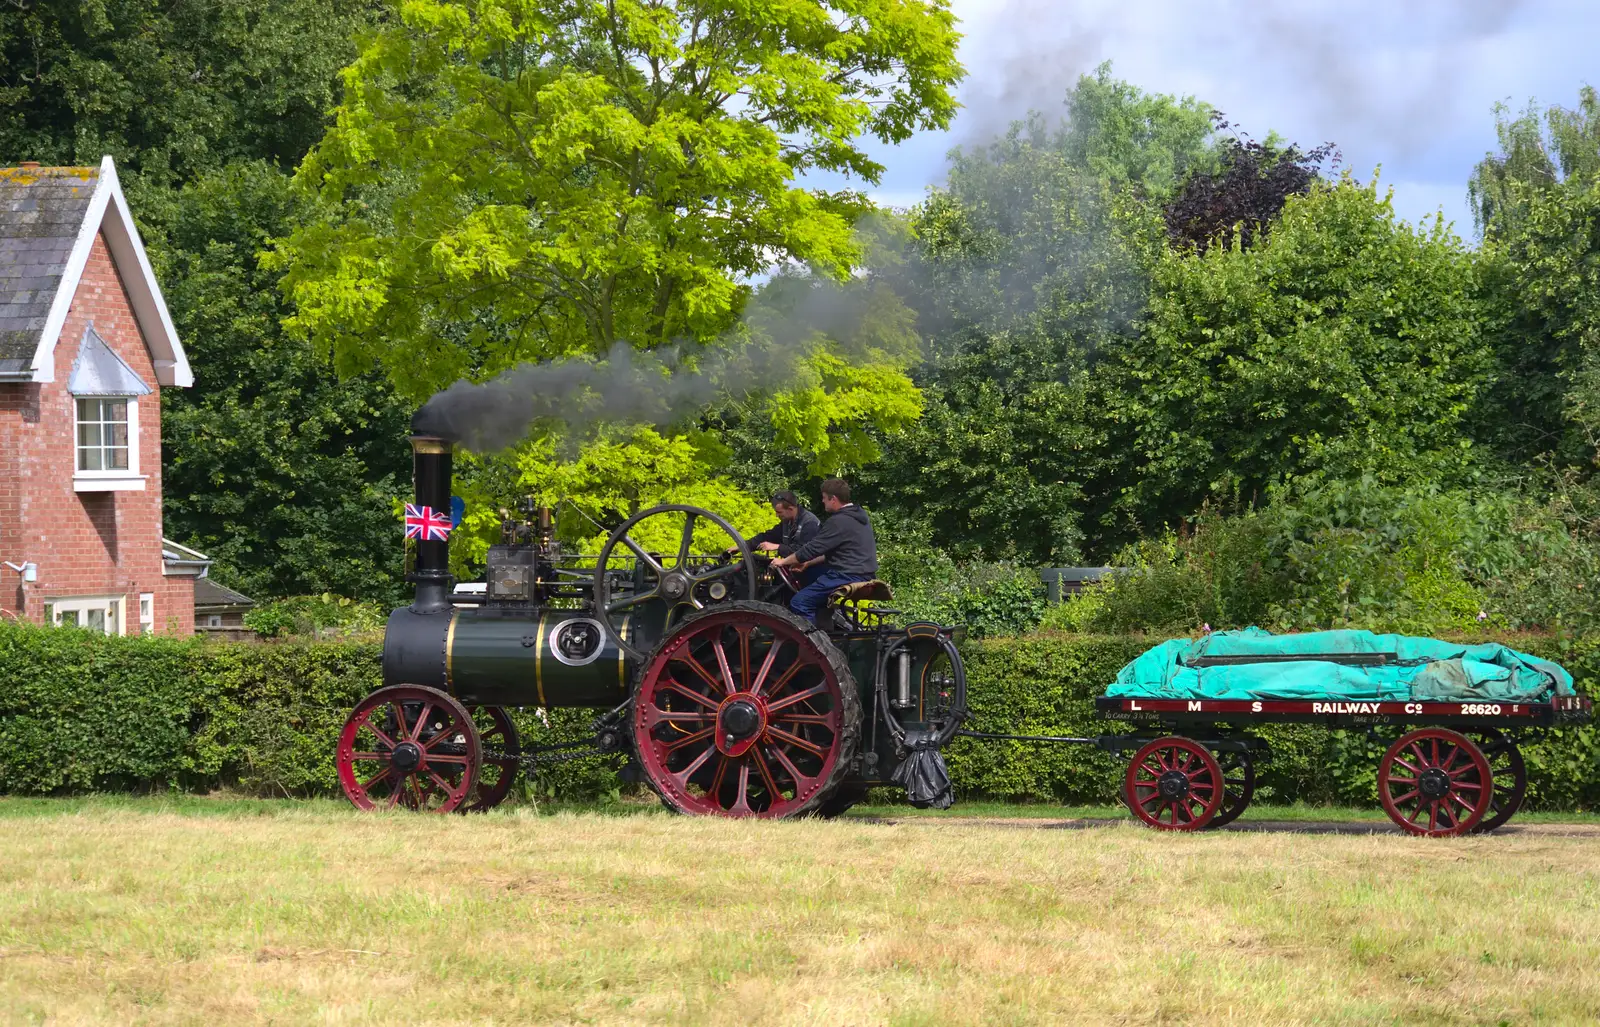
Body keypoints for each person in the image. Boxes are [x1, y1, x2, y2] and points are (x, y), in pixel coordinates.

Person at [772, 478, 878, 626]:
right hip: (863, 573)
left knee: (799, 602)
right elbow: (827, 552)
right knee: (811, 575)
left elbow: (811, 549)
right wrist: (808, 564)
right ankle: (824, 621)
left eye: (823, 498)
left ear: (833, 499)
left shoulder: (839, 521)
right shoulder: (858, 516)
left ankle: (812, 646)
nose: (822, 502)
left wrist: (782, 561)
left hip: (846, 575)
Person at [747, 491, 821, 558]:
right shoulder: (787, 521)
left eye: (779, 512)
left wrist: (778, 547)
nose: (776, 515)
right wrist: (742, 546)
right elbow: (768, 536)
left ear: (790, 509)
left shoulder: (810, 523)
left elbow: (804, 552)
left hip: (813, 570)